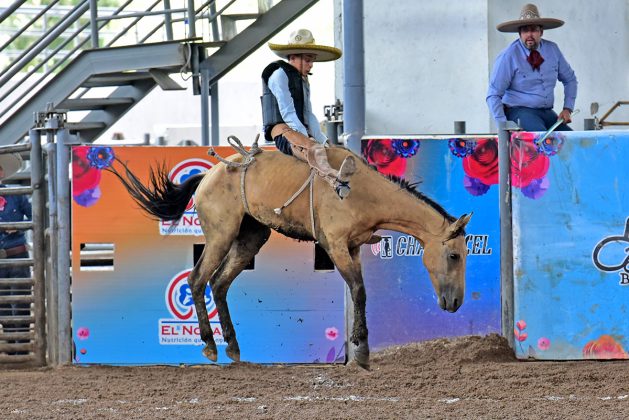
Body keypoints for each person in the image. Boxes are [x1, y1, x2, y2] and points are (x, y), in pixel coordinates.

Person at [261, 29, 356, 199]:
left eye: (312, 60)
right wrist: (307, 139)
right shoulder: (278, 75)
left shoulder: (303, 80)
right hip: (282, 131)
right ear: (292, 57)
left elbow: (308, 114)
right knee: (315, 150)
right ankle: (336, 183)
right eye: (307, 60)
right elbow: (287, 111)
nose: (311, 65)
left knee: (330, 149)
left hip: (298, 130)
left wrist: (324, 140)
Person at [487, 3, 577, 132]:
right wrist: (504, 125)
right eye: (525, 30)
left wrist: (568, 108)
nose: (529, 34)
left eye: (533, 29)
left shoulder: (552, 49)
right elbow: (493, 94)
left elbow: (570, 80)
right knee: (541, 141)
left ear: (541, 31)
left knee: (571, 141)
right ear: (519, 33)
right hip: (519, 111)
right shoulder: (508, 56)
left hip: (547, 112)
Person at [0, 153, 32, 355]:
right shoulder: (18, 193)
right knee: (2, 305)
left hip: (16, 254)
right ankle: (13, 347)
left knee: (19, 300)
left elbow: (35, 216)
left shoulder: (17, 194)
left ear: (2, 173)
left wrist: (19, 227)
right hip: (9, 254)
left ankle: (21, 347)